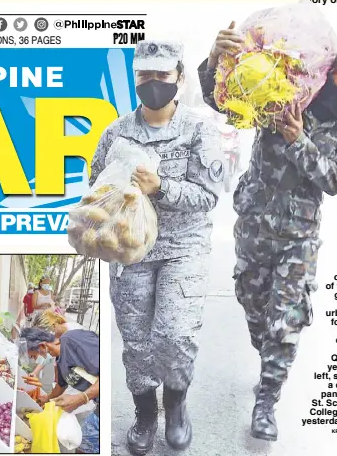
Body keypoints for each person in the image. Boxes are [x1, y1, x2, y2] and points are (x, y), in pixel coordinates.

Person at [199, 24, 337, 441]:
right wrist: (214, 60)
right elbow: (225, 104)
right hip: (254, 221)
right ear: (332, 70)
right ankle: (267, 354)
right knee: (252, 303)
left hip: (300, 235)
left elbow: (335, 180)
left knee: (286, 320)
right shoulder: (287, 88)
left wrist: (299, 140)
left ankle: (267, 399)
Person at [90, 40, 223, 454]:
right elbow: (96, 189)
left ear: (179, 78)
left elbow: (209, 195)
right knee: (137, 339)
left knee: (175, 333)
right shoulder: (116, 133)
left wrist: (161, 188)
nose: (153, 84)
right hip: (131, 250)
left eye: (161, 76)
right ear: (136, 80)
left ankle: (177, 405)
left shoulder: (200, 130)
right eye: (144, 76)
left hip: (184, 246)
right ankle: (145, 412)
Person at [19, 327, 100, 454]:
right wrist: (47, 399)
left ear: (42, 345)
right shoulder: (59, 360)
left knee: (87, 445)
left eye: (36, 355)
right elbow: (60, 386)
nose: (36, 360)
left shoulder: (75, 340)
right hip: (98, 405)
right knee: (84, 446)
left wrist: (81, 398)